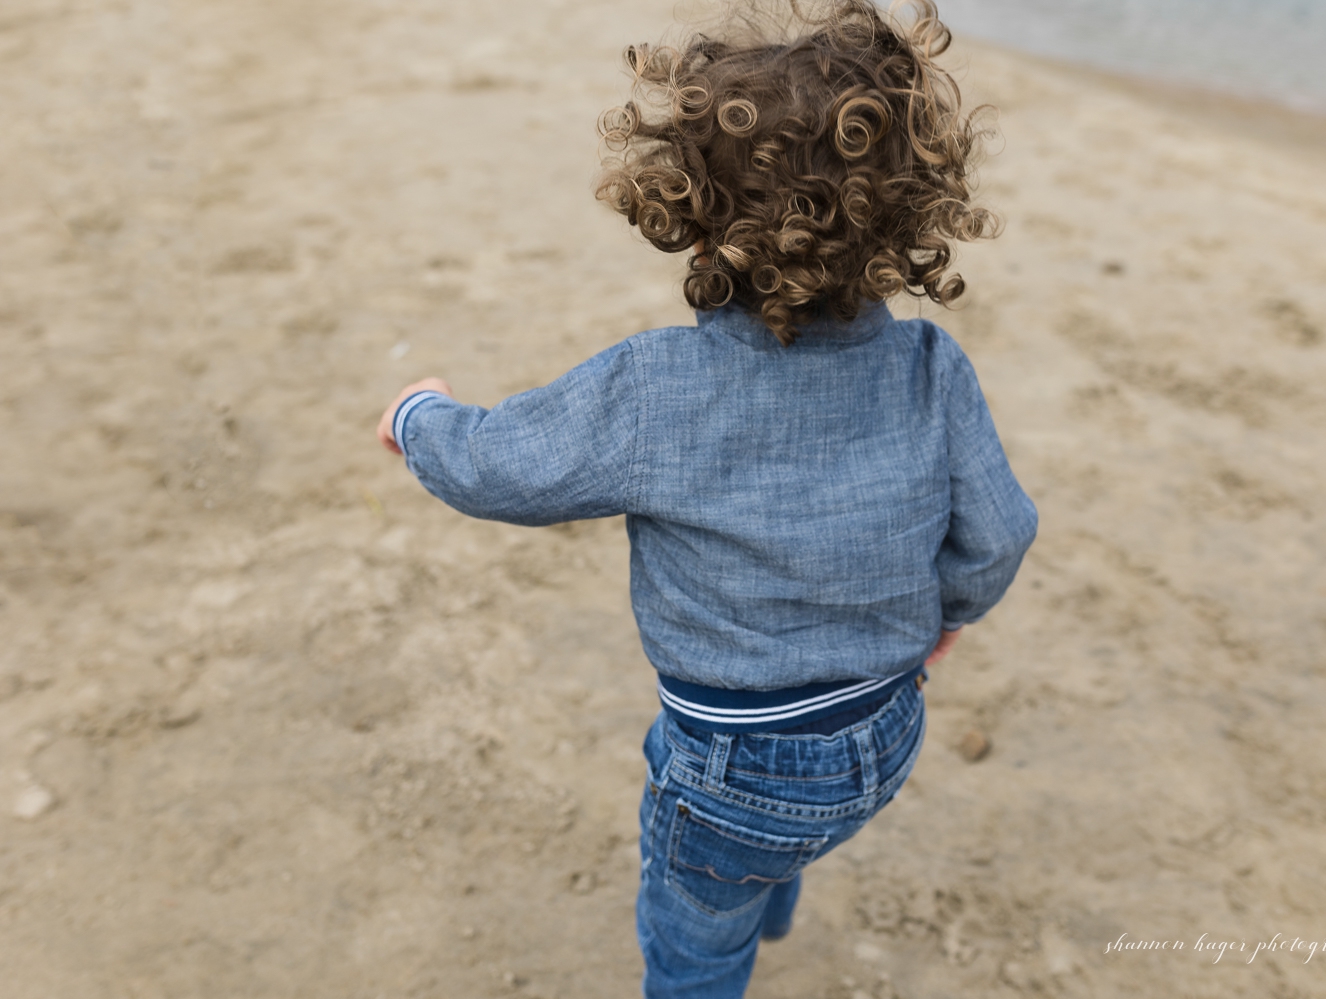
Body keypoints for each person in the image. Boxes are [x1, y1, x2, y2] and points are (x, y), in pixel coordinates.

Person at [375, 2, 1037, 995]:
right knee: (790, 836)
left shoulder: (654, 390)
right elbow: (1000, 536)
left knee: (694, 939)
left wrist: (420, 420)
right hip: (886, 729)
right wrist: (945, 619)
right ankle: (774, 889)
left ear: (686, 208)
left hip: (731, 767)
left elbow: (503, 466)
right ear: (908, 210)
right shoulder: (930, 369)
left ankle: (745, 905)